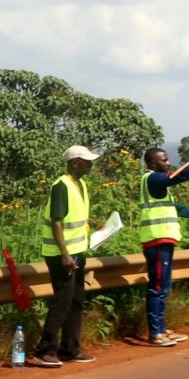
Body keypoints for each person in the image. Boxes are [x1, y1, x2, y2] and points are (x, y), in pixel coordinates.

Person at [140, 141, 189, 346]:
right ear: (152, 163)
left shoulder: (157, 184)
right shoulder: (154, 179)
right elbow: (181, 176)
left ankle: (162, 330)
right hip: (156, 239)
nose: (168, 163)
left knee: (163, 287)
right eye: (163, 160)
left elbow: (175, 208)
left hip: (163, 240)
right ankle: (156, 333)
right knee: (157, 287)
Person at [30, 145, 100, 367]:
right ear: (74, 163)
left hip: (77, 251)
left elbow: (74, 217)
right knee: (62, 301)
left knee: (76, 300)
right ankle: (44, 350)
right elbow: (57, 222)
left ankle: (70, 348)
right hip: (62, 255)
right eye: (87, 161)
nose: (91, 164)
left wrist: (94, 223)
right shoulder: (61, 186)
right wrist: (65, 254)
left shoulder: (80, 184)